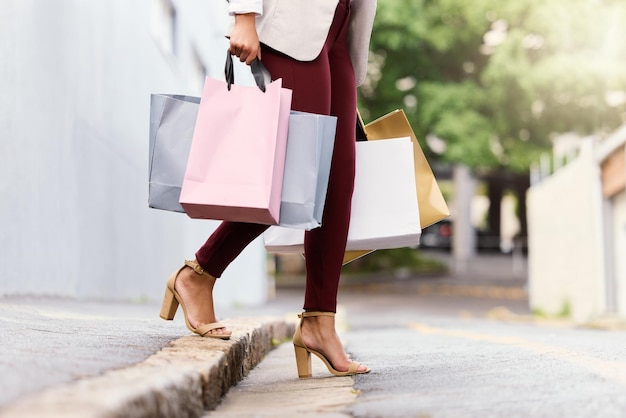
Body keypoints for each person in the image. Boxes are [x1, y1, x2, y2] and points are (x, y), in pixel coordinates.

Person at [160, 0, 376, 378]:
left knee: (337, 180)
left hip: (339, 28)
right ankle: (198, 272)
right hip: (293, 21)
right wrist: (244, 14)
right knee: (298, 172)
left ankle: (319, 322)